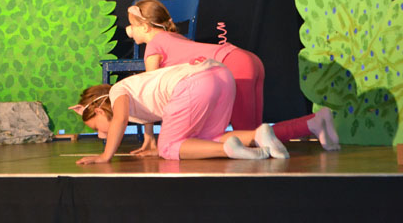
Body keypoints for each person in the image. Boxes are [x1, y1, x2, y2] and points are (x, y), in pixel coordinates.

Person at [125, 0, 340, 155]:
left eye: (132, 25)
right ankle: (314, 121)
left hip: (234, 66)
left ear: (145, 27)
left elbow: (150, 92)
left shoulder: (154, 45)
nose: (130, 30)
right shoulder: (175, 37)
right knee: (255, 135)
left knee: (249, 137)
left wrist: (149, 138)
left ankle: (311, 124)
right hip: (247, 60)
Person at [69, 59, 289, 164]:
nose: (101, 134)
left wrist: (105, 156)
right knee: (207, 138)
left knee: (168, 147)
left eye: (97, 128)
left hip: (193, 83)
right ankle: (258, 135)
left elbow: (120, 119)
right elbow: (147, 112)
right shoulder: (133, 90)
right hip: (221, 75)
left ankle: (229, 150)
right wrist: (150, 142)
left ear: (99, 111)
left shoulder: (117, 90)